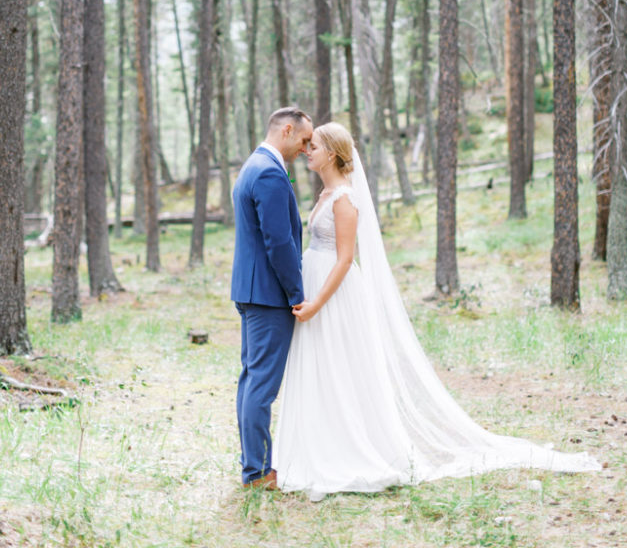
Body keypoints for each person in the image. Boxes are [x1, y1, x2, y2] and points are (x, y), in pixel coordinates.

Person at [273, 122, 600, 500]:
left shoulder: (344, 198)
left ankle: (347, 448)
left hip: (333, 291)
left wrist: (316, 302)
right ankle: (320, 442)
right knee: (322, 366)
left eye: (313, 145)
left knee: (340, 367)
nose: (306, 150)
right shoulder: (325, 192)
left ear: (331, 153)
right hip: (316, 280)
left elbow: (346, 259)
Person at [230, 106, 314, 489]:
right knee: (261, 385)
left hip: (252, 290)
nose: (305, 147)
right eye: (303, 139)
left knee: (251, 380)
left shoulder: (253, 165)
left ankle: (255, 467)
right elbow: (279, 242)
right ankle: (258, 472)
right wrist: (297, 295)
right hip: (268, 295)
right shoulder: (268, 173)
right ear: (286, 130)